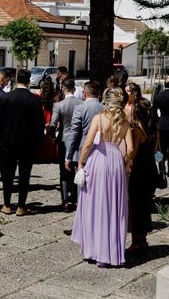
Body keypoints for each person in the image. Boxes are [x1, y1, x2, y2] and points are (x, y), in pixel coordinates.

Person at [71, 87, 134, 267]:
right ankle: (111, 252)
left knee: (94, 205)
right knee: (114, 206)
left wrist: (81, 163)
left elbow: (88, 143)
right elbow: (130, 149)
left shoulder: (99, 119)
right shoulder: (125, 123)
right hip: (116, 162)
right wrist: (124, 162)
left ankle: (94, 250)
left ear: (105, 101)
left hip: (99, 159)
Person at [0, 69, 45, 216]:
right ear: (29, 81)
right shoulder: (34, 99)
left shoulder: (6, 98)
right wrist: (38, 141)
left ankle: (6, 204)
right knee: (24, 174)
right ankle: (21, 206)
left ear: (16, 80)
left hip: (8, 141)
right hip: (27, 143)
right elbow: (39, 124)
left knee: (8, 173)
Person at [127, 98, 158, 252]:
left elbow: (132, 152)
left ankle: (136, 242)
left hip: (138, 171)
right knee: (146, 205)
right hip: (151, 169)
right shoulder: (154, 130)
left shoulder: (136, 131)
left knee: (135, 206)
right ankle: (143, 239)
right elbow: (155, 151)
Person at [51, 78, 83, 211]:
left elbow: (53, 124)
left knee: (63, 172)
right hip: (79, 140)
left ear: (63, 89)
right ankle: (76, 199)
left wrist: (53, 137)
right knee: (77, 169)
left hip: (64, 140)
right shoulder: (82, 104)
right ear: (74, 89)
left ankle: (65, 200)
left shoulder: (59, 105)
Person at [64, 81, 103, 178]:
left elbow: (74, 133)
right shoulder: (105, 108)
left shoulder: (80, 109)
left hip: (82, 152)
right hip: (101, 152)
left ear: (85, 93)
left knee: (82, 186)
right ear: (98, 93)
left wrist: (68, 156)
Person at [34, 75, 58, 164]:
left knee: (41, 136)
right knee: (50, 136)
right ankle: (50, 155)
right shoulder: (54, 94)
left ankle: (40, 155)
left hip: (42, 115)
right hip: (51, 115)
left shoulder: (38, 94)